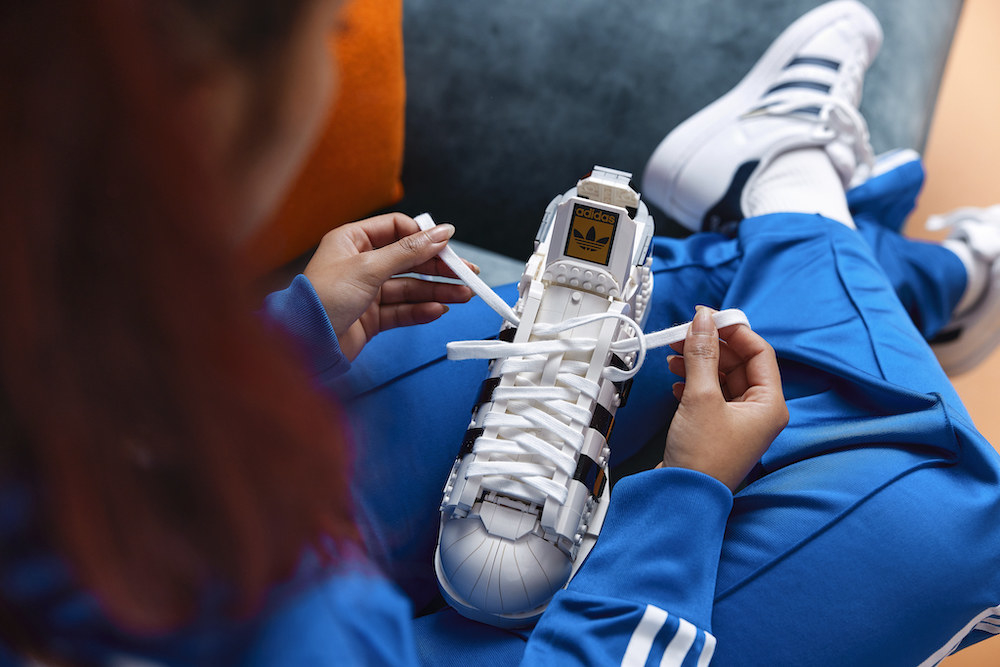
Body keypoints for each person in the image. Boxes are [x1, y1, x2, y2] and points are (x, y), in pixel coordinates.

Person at [0, 2, 996, 667]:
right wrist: (683, 500)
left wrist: (290, 333)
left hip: (199, 511)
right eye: (336, 22)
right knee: (955, 523)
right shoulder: (306, 626)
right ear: (198, 106)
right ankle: (813, 211)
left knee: (584, 308)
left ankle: (846, 240)